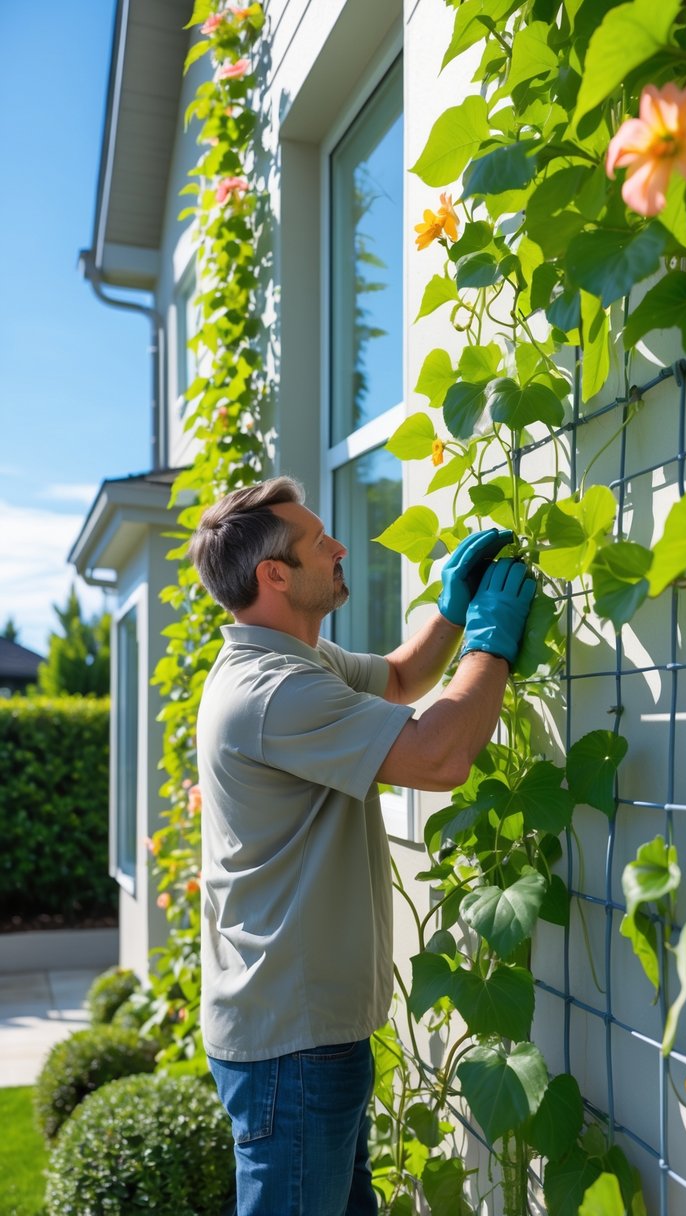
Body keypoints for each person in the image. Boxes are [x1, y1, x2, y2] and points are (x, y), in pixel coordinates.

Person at [188, 475, 535, 1216]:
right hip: (293, 1043)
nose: (340, 546)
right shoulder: (271, 690)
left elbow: (404, 677)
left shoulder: (296, 662)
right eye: (320, 542)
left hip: (303, 1032)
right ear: (273, 574)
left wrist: (450, 609)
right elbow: (438, 757)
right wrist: (490, 641)